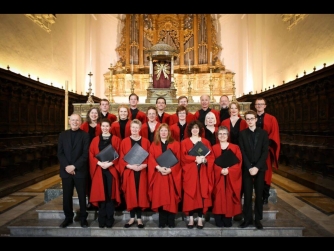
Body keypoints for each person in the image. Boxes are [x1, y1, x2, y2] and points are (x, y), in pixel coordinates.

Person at [57, 113, 90, 228]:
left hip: (79, 170)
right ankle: (68, 218)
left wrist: (74, 166)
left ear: (80, 123)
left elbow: (85, 154)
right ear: (69, 121)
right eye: (73, 120)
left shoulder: (85, 135)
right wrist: (67, 166)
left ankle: (83, 218)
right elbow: (60, 153)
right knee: (67, 196)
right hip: (66, 171)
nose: (75, 122)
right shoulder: (62, 135)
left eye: (77, 120)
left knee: (82, 195)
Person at [180, 120, 214, 229]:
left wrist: (204, 160)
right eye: (193, 128)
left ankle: (200, 218)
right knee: (190, 195)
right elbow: (183, 157)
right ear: (190, 130)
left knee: (202, 193)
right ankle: (190, 218)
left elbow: (211, 156)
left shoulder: (205, 142)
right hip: (190, 172)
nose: (195, 130)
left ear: (200, 129)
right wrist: (195, 159)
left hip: (203, 171)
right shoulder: (185, 142)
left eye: (197, 128)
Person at [88, 118, 122, 228]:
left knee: (110, 194)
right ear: (100, 127)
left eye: (107, 126)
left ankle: (110, 218)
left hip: (111, 170)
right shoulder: (95, 140)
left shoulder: (116, 139)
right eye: (103, 126)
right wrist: (99, 163)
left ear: (110, 127)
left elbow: (119, 154)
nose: (105, 128)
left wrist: (110, 164)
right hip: (99, 170)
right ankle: (101, 219)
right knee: (101, 194)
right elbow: (91, 154)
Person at [238, 110, 269, 229]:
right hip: (247, 168)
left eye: (252, 118)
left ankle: (258, 219)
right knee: (247, 193)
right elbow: (242, 152)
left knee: (259, 194)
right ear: (245, 120)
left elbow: (265, 151)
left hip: (259, 168)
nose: (250, 121)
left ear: (256, 119)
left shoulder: (263, 133)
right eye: (248, 119)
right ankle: (247, 219)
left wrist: (257, 167)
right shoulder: (242, 134)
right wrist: (249, 167)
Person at [147, 123, 182, 228]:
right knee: (161, 197)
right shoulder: (154, 144)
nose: (163, 132)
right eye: (161, 131)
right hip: (159, 175)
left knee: (171, 198)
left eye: (165, 131)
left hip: (171, 175)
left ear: (169, 132)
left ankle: (171, 221)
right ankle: (162, 221)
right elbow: (151, 159)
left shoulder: (175, 144)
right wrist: (159, 168)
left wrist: (171, 169)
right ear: (158, 132)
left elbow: (179, 159)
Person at [119, 119, 151, 228]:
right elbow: (122, 158)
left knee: (140, 193)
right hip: (129, 171)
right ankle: (132, 218)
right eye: (133, 127)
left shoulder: (146, 141)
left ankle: (139, 218)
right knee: (131, 194)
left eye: (136, 127)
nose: (134, 129)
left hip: (142, 171)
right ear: (130, 128)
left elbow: (149, 157)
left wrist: (144, 165)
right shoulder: (124, 141)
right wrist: (130, 166)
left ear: (140, 129)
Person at [221, 101, 248, 222]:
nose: (233, 110)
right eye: (231, 108)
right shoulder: (225, 122)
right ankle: (227, 207)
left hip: (240, 153)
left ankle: (237, 208)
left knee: (238, 181)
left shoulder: (243, 123)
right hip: (227, 153)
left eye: (235, 108)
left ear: (238, 110)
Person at [211, 126, 243, 227]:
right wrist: (220, 170)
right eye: (220, 134)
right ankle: (218, 218)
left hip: (230, 177)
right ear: (217, 136)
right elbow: (211, 162)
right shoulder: (214, 148)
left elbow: (238, 163)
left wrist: (229, 170)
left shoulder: (235, 147)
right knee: (218, 197)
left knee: (229, 196)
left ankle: (227, 218)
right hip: (218, 177)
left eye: (224, 134)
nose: (222, 136)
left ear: (228, 135)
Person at [254, 97, 280, 205]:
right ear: (255, 106)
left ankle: (265, 196)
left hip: (265, 151)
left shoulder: (271, 118)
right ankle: (256, 195)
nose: (259, 106)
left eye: (261, 104)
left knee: (266, 173)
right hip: (254, 150)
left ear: (265, 106)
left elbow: (274, 134)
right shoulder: (251, 117)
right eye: (257, 104)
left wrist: (264, 145)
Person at [80, 107, 102, 211]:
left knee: (97, 178)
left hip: (98, 155)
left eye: (96, 113)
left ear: (98, 115)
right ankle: (90, 200)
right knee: (88, 179)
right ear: (89, 114)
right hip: (86, 155)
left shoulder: (101, 125)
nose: (94, 115)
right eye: (92, 113)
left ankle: (98, 199)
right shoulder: (84, 126)